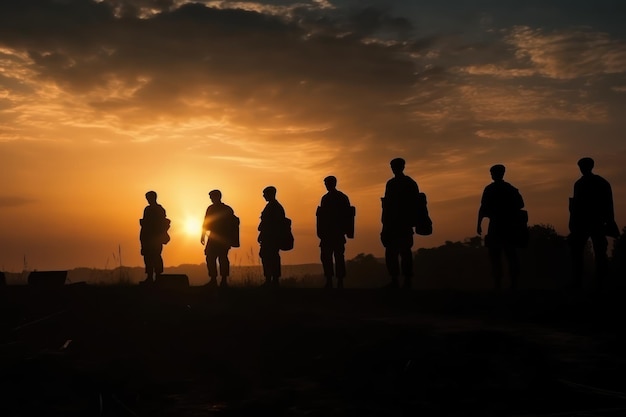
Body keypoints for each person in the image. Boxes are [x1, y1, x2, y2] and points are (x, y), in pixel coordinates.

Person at [568, 157, 617, 289]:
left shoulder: (581, 184)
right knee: (595, 253)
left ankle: (589, 283)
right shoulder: (601, 183)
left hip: (588, 223)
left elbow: (576, 206)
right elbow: (608, 205)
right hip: (592, 223)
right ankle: (596, 283)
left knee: (591, 253)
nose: (581, 169)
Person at [477, 164, 525, 290]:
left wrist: (479, 224)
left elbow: (483, 208)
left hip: (499, 226)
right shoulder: (509, 189)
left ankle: (502, 283)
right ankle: (507, 283)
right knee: (506, 255)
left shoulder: (491, 189)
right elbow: (520, 204)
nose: (492, 175)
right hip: (506, 226)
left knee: (499, 256)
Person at [381, 158, 420, 289]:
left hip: (400, 224)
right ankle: (397, 280)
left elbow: (388, 206)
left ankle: (404, 280)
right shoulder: (406, 183)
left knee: (402, 252)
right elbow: (386, 206)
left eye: (394, 166)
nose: (393, 168)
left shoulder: (399, 184)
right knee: (395, 253)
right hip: (397, 224)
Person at [317, 176, 353, 289]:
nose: (326, 185)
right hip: (329, 234)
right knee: (327, 257)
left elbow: (348, 216)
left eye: (328, 183)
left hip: (335, 233)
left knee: (337, 257)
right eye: (326, 183)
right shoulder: (329, 198)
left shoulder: (340, 198)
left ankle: (339, 281)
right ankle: (330, 280)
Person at [201, 190, 237, 288]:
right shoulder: (211, 209)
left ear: (217, 197)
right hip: (213, 238)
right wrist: (202, 235)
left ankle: (223, 281)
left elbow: (233, 224)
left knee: (223, 259)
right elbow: (206, 222)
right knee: (210, 257)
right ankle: (213, 280)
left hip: (223, 239)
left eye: (212, 197)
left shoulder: (227, 209)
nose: (211, 199)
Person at [258, 186, 287, 287]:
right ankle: (270, 279)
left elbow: (273, 224)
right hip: (268, 237)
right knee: (267, 256)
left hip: (272, 238)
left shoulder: (275, 207)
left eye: (265, 194)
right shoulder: (272, 206)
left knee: (271, 257)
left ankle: (273, 280)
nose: (263, 196)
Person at [139, 191, 169, 285]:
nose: (148, 200)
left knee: (155, 256)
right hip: (148, 238)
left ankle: (157, 277)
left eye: (149, 198)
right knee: (148, 257)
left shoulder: (159, 209)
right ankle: (150, 277)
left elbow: (161, 224)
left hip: (155, 238)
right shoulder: (148, 209)